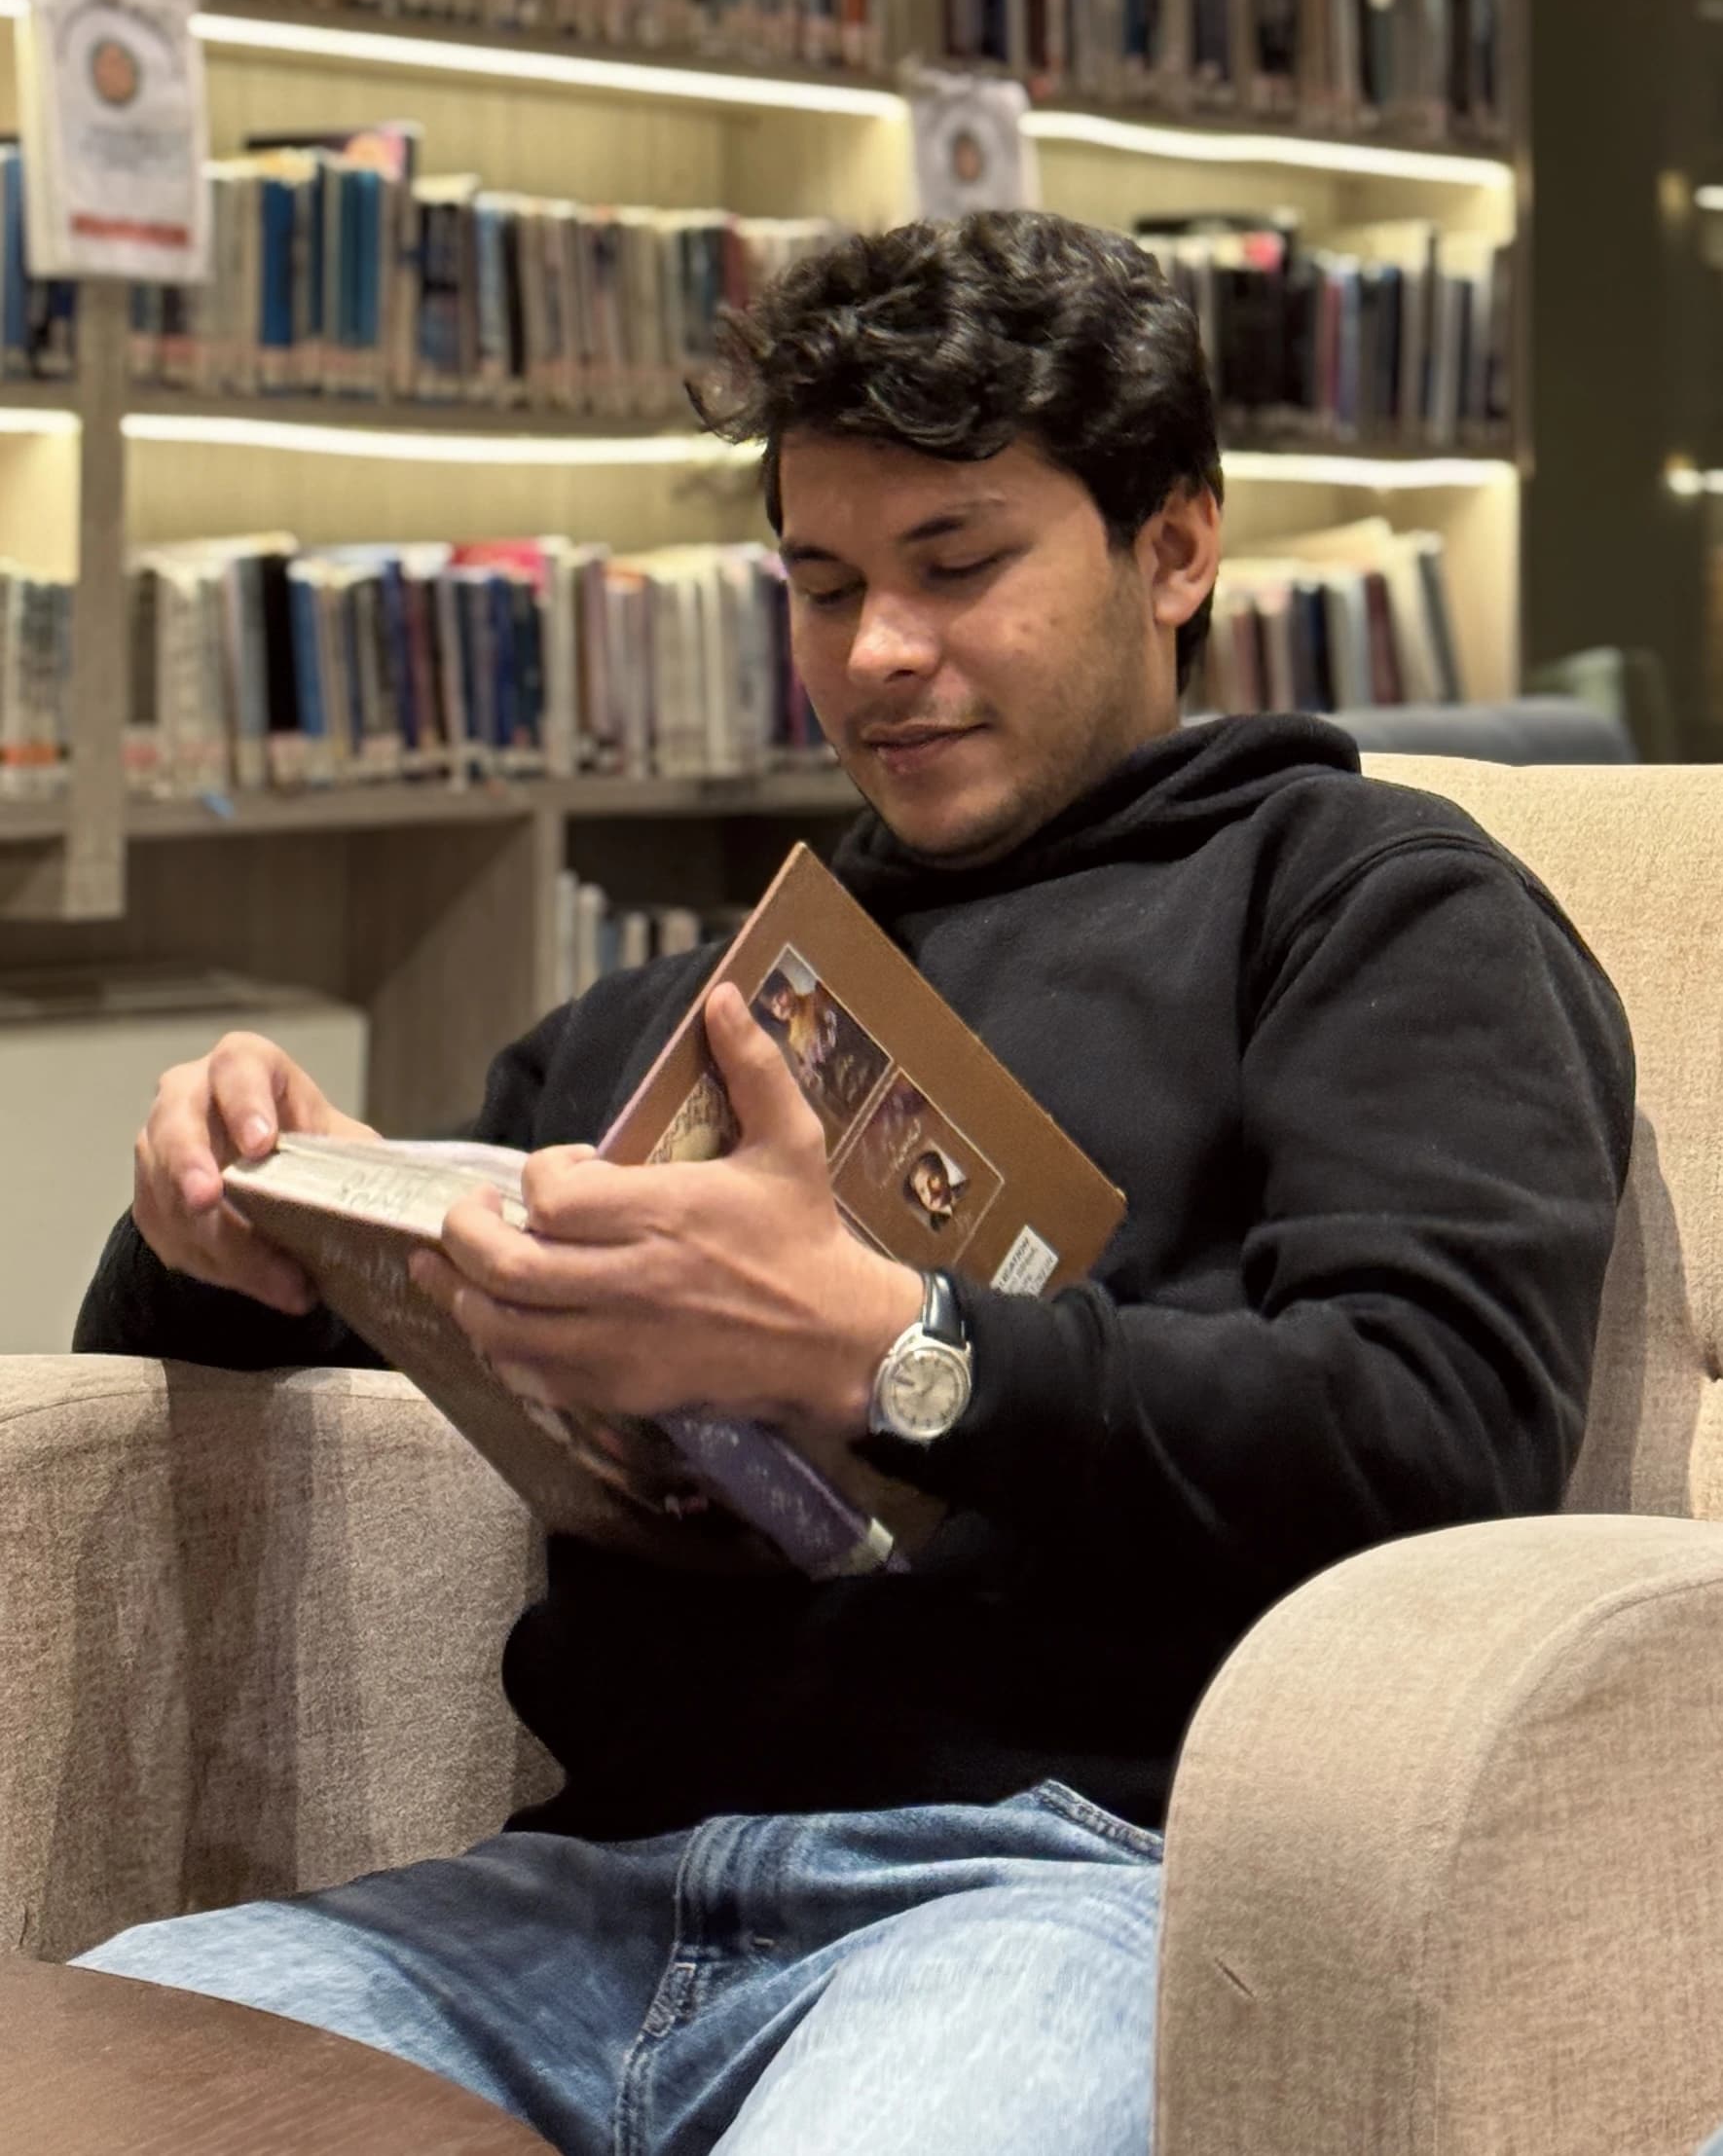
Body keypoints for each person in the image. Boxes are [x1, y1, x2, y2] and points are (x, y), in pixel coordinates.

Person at [73, 211, 1635, 2156]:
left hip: (1049, 1878)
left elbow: (1438, 1430)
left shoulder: (1368, 902)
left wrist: (904, 1351)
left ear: (1175, 545)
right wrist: (221, 1236)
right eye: (821, 586)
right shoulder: (706, 1001)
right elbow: (346, 1351)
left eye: (957, 565)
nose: (877, 653)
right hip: (556, 1897)